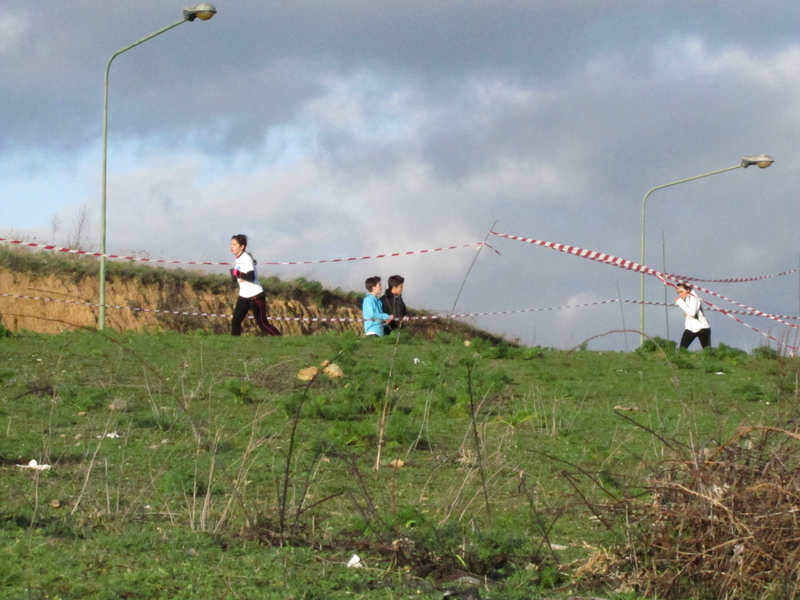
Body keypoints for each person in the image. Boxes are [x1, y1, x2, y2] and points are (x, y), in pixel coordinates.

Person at [229, 234, 281, 337]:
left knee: (262, 324)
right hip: (244, 295)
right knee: (235, 321)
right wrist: (234, 276)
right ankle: (233, 345)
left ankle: (280, 339)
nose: (231, 247)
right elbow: (239, 278)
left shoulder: (246, 258)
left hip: (255, 295)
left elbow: (251, 276)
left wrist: (237, 273)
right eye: (231, 244)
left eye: (234, 244)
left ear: (242, 246)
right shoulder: (238, 258)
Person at [675, 282, 710, 349]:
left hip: (702, 327)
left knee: (708, 352)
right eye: (678, 293)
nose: (680, 294)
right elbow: (691, 311)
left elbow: (692, 312)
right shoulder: (687, 298)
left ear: (688, 290)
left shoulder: (694, 297)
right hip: (690, 328)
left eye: (681, 292)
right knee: (682, 350)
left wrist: (680, 302)